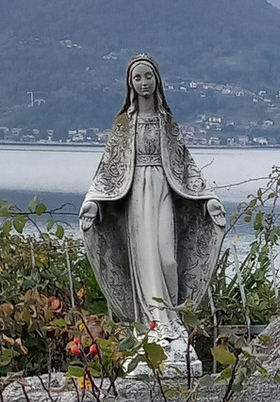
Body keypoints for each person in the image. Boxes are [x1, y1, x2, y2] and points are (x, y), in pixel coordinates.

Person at [80, 54, 226, 349]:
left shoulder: (166, 122)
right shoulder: (125, 124)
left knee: (167, 258)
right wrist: (94, 201)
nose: (144, 83)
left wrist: (208, 199)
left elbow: (186, 164)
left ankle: (172, 318)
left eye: (148, 76)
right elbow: (109, 166)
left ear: (157, 79)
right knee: (145, 258)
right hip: (135, 196)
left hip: (164, 190)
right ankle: (152, 324)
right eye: (137, 78)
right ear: (129, 84)